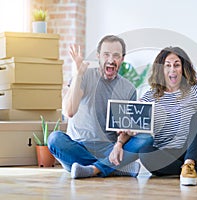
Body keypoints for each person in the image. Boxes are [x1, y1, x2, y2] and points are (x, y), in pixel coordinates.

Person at [47, 35, 153, 179]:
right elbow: (69, 111)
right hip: (78, 147)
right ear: (98, 56)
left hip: (109, 149)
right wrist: (77, 75)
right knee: (54, 139)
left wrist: (118, 145)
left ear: (122, 59)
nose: (111, 60)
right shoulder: (84, 77)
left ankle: (93, 169)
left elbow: (126, 127)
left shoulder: (128, 89)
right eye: (106, 54)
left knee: (146, 139)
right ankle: (113, 168)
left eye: (116, 55)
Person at [138, 46, 197, 186]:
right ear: (161, 69)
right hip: (166, 155)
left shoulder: (195, 89)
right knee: (144, 152)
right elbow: (137, 123)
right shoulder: (150, 96)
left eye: (177, 65)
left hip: (195, 153)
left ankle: (190, 164)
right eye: (167, 65)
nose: (172, 69)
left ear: (183, 68)